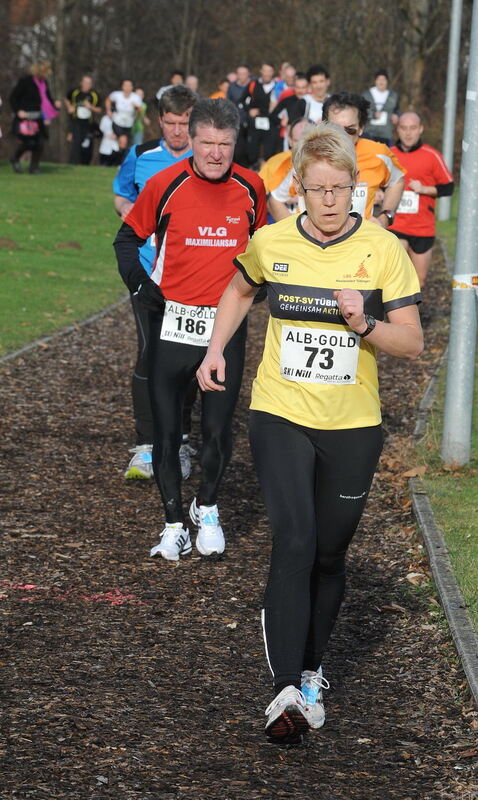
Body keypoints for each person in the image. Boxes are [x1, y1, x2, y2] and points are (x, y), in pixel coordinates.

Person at [197, 122, 423, 744]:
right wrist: (216, 348)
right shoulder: (271, 241)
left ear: (358, 187)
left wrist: (364, 320)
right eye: (317, 189)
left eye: (340, 188)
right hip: (280, 412)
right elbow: (239, 290)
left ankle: (314, 670)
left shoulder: (382, 249)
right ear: (297, 187)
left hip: (352, 426)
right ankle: (287, 689)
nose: (328, 200)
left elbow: (412, 342)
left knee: (328, 552)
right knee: (294, 538)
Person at [113, 99, 267, 560]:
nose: (216, 153)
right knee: (166, 431)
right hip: (173, 323)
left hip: (226, 327)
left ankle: (210, 507)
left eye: (225, 144)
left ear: (234, 143)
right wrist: (143, 287)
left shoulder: (251, 185)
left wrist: (255, 291)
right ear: (191, 141)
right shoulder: (165, 183)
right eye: (207, 143)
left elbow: (264, 243)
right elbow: (127, 239)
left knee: (218, 430)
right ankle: (173, 521)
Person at [113, 85, 197, 481]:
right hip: (148, 272)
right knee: (149, 353)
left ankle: (180, 441)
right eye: (171, 123)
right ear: (159, 120)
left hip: (193, 276)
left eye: (185, 123)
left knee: (186, 360)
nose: (178, 132)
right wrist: (134, 216)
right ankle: (146, 446)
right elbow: (120, 194)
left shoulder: (207, 156)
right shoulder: (142, 155)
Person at [389, 111, 454, 288]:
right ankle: (393, 314)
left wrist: (424, 189)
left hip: (422, 227)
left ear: (420, 129)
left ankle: (414, 315)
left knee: (419, 281)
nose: (408, 133)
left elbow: (448, 187)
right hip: (395, 224)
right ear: (397, 130)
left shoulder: (432, 155)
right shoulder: (389, 154)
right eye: (403, 128)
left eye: (413, 128)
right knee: (396, 279)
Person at [9, 61, 61, 174]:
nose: (47, 74)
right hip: (25, 117)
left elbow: (47, 97)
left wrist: (54, 105)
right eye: (46, 71)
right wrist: (18, 111)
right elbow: (13, 98)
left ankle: (34, 167)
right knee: (29, 143)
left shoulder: (44, 83)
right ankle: (15, 159)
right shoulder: (25, 81)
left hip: (38, 117)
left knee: (40, 143)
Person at [259, 117, 310, 219]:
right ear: (290, 140)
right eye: (297, 141)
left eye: (307, 141)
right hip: (281, 222)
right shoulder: (275, 163)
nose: (302, 147)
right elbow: (260, 197)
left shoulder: (326, 163)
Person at [65, 75, 102, 165]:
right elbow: (66, 98)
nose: (86, 85)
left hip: (88, 123)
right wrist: (69, 107)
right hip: (76, 121)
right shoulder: (75, 92)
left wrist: (91, 107)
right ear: (81, 83)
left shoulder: (94, 95)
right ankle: (73, 163)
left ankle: (85, 163)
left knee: (87, 143)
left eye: (89, 83)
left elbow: (99, 109)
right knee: (76, 142)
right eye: (85, 82)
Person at [246, 62, 277, 167]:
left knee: (269, 152)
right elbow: (242, 101)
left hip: (271, 123)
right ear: (261, 71)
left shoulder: (277, 87)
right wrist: (249, 110)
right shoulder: (253, 84)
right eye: (265, 70)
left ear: (273, 72)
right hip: (255, 122)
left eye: (269, 71)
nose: (267, 74)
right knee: (252, 151)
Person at [105, 79, 143, 158]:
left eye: (129, 85)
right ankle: (119, 161)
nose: (127, 87)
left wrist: (136, 108)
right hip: (117, 122)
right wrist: (108, 110)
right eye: (125, 85)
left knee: (124, 144)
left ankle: (118, 161)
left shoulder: (136, 97)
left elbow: (140, 111)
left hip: (128, 124)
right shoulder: (116, 94)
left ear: (132, 87)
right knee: (123, 140)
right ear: (122, 87)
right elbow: (108, 100)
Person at [362, 70, 400, 145]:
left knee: (385, 156)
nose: (381, 82)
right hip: (369, 133)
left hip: (386, 134)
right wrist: (373, 115)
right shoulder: (366, 95)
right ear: (375, 81)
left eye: (383, 79)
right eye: (379, 79)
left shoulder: (393, 96)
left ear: (387, 81)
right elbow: (361, 112)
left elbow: (397, 110)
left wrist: (397, 116)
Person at [227, 64, 252, 166]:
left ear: (248, 74)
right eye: (239, 73)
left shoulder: (253, 85)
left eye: (244, 73)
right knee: (238, 146)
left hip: (251, 120)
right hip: (237, 120)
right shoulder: (232, 87)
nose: (242, 76)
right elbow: (229, 102)